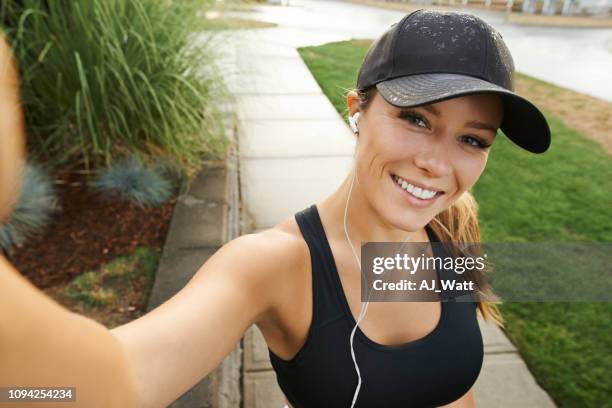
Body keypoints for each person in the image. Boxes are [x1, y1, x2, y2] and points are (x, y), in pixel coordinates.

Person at [0, 9, 551, 408]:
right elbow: (104, 385)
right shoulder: (272, 265)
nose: (437, 163)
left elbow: (449, 386)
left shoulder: (449, 236)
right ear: (356, 109)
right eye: (417, 119)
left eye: (473, 140)